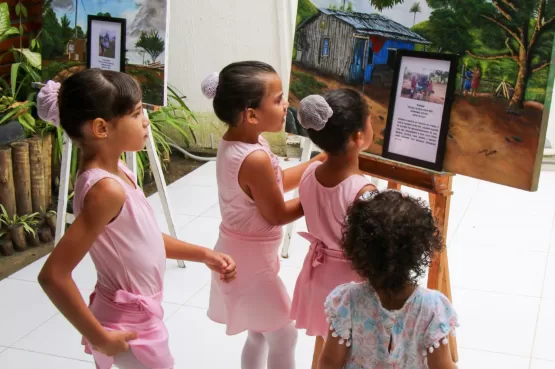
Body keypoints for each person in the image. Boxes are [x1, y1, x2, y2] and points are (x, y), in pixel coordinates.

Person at [35, 69, 237, 369]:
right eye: (137, 112)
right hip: (128, 323)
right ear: (102, 128)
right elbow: (52, 276)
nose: (146, 120)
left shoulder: (119, 173)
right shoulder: (105, 190)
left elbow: (143, 239)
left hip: (130, 310)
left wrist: (204, 254)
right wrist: (100, 338)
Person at [201, 61, 326, 369]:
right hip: (249, 263)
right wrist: (318, 191)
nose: (287, 105)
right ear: (252, 114)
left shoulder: (244, 140)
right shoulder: (254, 157)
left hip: (245, 254)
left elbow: (276, 183)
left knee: (259, 332)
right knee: (283, 334)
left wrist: (318, 162)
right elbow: (277, 213)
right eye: (279, 99)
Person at [319, 191, 459, 369]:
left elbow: (330, 362)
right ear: (420, 250)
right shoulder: (432, 307)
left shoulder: (348, 300)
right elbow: (443, 367)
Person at [289, 89, 376, 359]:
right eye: (370, 121)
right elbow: (372, 250)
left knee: (325, 341)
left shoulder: (310, 173)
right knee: (350, 352)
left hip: (318, 275)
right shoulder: (363, 191)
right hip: (351, 281)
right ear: (358, 137)